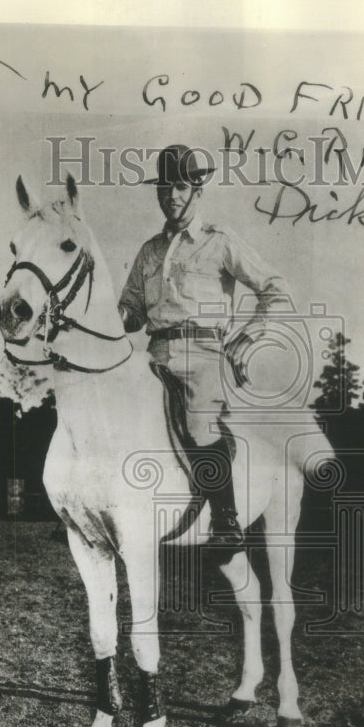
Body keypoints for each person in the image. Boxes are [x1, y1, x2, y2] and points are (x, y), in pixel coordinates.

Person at [118, 143, 289, 551]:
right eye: (164, 188)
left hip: (203, 357)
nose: (171, 196)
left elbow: (275, 288)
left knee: (200, 422)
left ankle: (226, 520)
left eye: (179, 187)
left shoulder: (220, 242)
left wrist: (250, 334)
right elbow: (132, 311)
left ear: (198, 190)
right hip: (153, 357)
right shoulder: (149, 251)